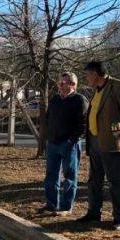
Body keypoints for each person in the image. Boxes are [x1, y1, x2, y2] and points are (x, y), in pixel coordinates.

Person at [77, 61, 120, 230]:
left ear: (95, 74)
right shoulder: (97, 90)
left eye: (87, 74)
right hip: (94, 141)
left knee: (114, 182)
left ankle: (119, 218)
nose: (86, 78)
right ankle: (94, 212)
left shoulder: (118, 86)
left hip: (111, 141)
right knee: (94, 180)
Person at [41, 72, 88, 215]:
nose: (60, 85)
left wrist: (70, 140)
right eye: (59, 82)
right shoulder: (55, 99)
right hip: (53, 143)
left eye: (63, 83)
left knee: (70, 176)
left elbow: (83, 124)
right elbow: (48, 118)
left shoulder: (80, 100)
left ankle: (66, 207)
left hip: (69, 144)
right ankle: (51, 204)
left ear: (72, 84)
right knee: (51, 175)